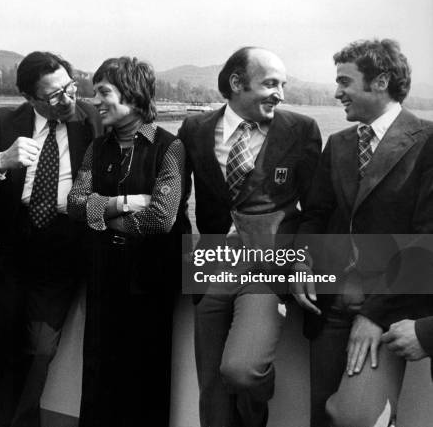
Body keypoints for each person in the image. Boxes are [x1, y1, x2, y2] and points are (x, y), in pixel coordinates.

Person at [0, 51, 101, 427]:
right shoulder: (7, 120)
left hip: (64, 247)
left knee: (39, 349)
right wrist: (0, 161)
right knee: (6, 353)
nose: (68, 99)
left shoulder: (94, 118)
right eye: (54, 96)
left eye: (71, 87)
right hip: (10, 248)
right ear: (30, 97)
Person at [292, 39, 433, 427]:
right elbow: (315, 215)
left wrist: (374, 316)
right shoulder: (338, 144)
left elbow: (425, 241)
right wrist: (302, 260)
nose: (336, 92)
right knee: (321, 415)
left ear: (380, 81)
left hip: (387, 315)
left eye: (344, 81)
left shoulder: (427, 142)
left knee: (356, 416)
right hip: (329, 307)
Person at [178, 47, 321, 427]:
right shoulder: (196, 128)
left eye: (283, 85)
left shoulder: (301, 130)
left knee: (242, 371)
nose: (281, 94)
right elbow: (175, 197)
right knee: (211, 387)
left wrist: (302, 261)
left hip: (266, 272)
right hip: (212, 270)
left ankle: (254, 418)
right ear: (237, 83)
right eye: (271, 83)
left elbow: (317, 210)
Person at [67, 56, 185, 427]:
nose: (96, 101)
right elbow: (74, 204)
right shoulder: (95, 149)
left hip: (151, 280)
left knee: (146, 377)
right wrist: (123, 203)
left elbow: (161, 219)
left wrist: (98, 214)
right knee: (99, 372)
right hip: (103, 278)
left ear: (132, 96)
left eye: (104, 92)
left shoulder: (170, 148)